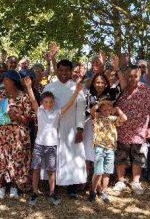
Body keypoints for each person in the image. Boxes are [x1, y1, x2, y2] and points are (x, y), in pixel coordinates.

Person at [25, 76, 83, 206]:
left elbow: (68, 104)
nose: (48, 104)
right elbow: (33, 100)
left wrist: (76, 92)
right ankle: (34, 192)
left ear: (53, 102)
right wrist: (29, 87)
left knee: (51, 170)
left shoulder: (57, 112)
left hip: (52, 146)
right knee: (36, 169)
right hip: (39, 145)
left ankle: (52, 192)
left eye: (51, 102)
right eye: (46, 101)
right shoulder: (39, 111)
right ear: (42, 102)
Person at [113, 65, 150, 195]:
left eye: (135, 76)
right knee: (120, 157)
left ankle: (135, 182)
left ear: (140, 76)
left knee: (138, 158)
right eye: (129, 76)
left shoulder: (146, 91)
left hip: (139, 133)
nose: (132, 79)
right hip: (122, 131)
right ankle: (121, 181)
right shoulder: (121, 91)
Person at [43, 59, 86, 198]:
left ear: (71, 71)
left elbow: (81, 109)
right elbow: (43, 108)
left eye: (66, 71)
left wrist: (80, 128)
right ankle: (51, 186)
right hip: (52, 128)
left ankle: (72, 186)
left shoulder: (77, 88)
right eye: (61, 70)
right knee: (52, 156)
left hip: (71, 127)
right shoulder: (49, 87)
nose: (63, 73)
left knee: (72, 156)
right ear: (57, 70)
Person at [0, 70, 32, 199]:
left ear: (14, 82)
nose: (4, 82)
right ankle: (0, 187)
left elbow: (29, 118)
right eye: (4, 80)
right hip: (0, 135)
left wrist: (17, 116)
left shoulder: (23, 96)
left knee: (16, 161)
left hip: (17, 136)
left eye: (7, 80)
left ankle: (14, 187)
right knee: (0, 160)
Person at [89, 98, 127, 203]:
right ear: (100, 109)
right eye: (104, 109)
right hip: (100, 147)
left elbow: (124, 118)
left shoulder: (113, 118)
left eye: (108, 109)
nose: (106, 111)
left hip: (110, 148)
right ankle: (93, 190)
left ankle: (104, 191)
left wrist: (118, 109)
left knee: (107, 171)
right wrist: (100, 103)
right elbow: (92, 110)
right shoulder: (96, 117)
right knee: (98, 171)